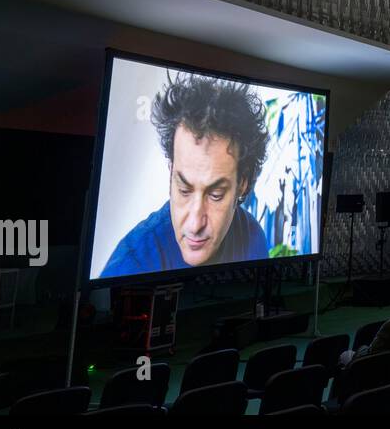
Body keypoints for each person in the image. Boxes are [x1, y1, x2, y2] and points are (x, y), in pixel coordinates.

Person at [100, 74, 272, 278]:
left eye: (216, 194)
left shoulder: (253, 237)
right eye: (184, 190)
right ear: (171, 171)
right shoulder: (133, 264)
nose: (194, 224)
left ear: (242, 184)